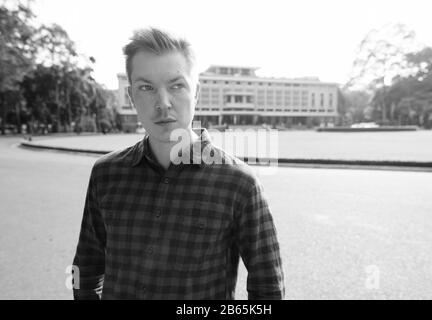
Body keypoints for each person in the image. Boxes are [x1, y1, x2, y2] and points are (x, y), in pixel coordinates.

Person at [72, 27, 284, 300]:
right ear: (131, 96)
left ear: (196, 92)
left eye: (176, 85)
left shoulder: (239, 183)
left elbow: (268, 289)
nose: (162, 103)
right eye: (146, 87)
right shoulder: (106, 174)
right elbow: (84, 268)